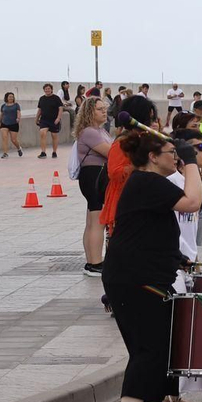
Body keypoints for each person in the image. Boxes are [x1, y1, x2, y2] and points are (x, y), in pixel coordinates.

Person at [100, 129, 202, 402]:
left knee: (162, 348)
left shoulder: (149, 183)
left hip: (149, 274)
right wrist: (191, 162)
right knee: (146, 350)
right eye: (171, 152)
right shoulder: (147, 181)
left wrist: (175, 257)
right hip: (134, 279)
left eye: (177, 153)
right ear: (152, 157)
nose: (176, 157)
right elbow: (193, 202)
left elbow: (148, 228)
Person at [74, 96, 112, 276]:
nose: (104, 111)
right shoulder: (90, 132)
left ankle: (91, 261)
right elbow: (111, 153)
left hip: (95, 176)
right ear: (90, 112)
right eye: (99, 109)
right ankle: (96, 263)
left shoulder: (99, 131)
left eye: (104, 108)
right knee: (98, 222)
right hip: (94, 176)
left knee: (91, 221)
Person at [35, 82, 64, 157]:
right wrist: (36, 118)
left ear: (51, 89)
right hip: (44, 120)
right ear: (44, 90)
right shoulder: (42, 98)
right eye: (46, 89)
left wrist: (58, 118)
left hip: (54, 120)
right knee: (42, 133)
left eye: (49, 89)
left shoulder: (56, 98)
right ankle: (43, 152)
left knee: (54, 135)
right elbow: (40, 109)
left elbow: (60, 108)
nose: (47, 90)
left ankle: (54, 152)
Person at [0, 91, 21, 157]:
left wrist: (18, 118)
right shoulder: (3, 106)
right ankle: (5, 153)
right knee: (4, 137)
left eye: (12, 97)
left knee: (13, 140)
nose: (11, 98)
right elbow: (1, 115)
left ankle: (19, 148)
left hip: (13, 124)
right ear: (6, 98)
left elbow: (18, 113)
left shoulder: (16, 105)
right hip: (4, 123)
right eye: (10, 97)